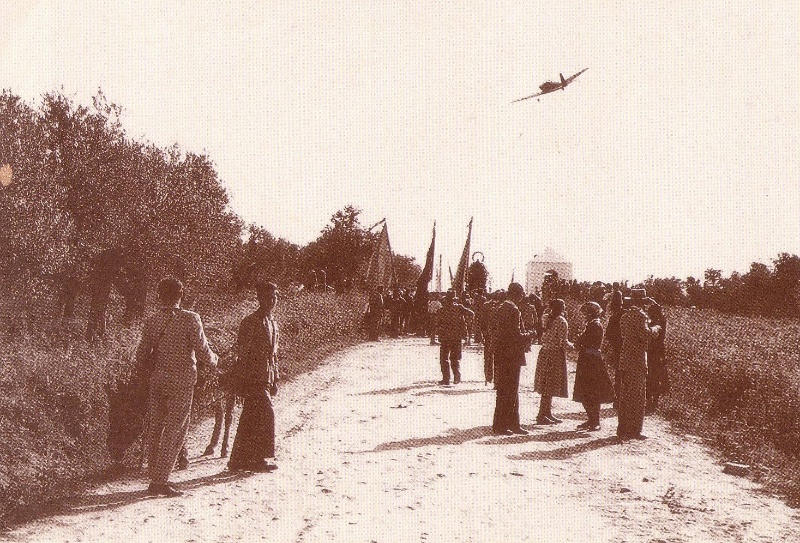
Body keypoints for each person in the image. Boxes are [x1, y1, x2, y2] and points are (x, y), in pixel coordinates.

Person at [136, 277, 217, 497]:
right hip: (181, 380)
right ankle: (160, 480)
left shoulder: (152, 320)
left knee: (156, 426)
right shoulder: (191, 319)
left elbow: (141, 354)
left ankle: (154, 473)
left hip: (158, 378)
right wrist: (215, 360)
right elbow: (203, 351)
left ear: (160, 295)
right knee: (175, 428)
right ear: (181, 295)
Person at [228, 281, 282, 472]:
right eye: (268, 297)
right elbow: (242, 352)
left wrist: (275, 378)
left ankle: (238, 460)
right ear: (259, 298)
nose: (272, 300)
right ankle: (258, 458)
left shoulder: (273, 323)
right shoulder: (250, 322)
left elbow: (273, 355)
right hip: (252, 377)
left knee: (250, 416)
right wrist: (240, 382)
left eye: (275, 296)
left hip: (266, 377)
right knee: (266, 413)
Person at [616, 289, 661, 440]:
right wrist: (654, 329)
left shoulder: (625, 316)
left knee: (625, 395)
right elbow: (645, 335)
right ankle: (634, 430)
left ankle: (623, 428)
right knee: (638, 396)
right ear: (642, 302)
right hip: (637, 358)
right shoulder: (641, 316)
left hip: (626, 357)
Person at [491, 283, 535, 435]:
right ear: (518, 294)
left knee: (505, 390)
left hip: (502, 354)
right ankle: (505, 425)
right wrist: (529, 335)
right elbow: (515, 336)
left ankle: (507, 424)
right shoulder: (513, 310)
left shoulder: (500, 308)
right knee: (510, 390)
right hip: (512, 355)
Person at [573, 302, 615, 431]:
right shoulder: (592, 324)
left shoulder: (595, 325)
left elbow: (582, 342)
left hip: (591, 360)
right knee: (586, 390)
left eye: (586, 313)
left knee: (592, 391)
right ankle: (591, 419)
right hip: (588, 358)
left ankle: (595, 420)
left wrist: (578, 342)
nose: (584, 315)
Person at [534, 298, 573, 425]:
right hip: (555, 354)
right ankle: (542, 414)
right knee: (550, 384)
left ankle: (546, 413)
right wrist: (575, 346)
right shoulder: (561, 321)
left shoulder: (545, 318)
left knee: (546, 383)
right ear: (562, 308)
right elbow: (563, 342)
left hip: (544, 352)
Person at [435, 290, 474, 385]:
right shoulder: (459, 308)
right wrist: (465, 324)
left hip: (445, 337)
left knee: (444, 358)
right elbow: (471, 313)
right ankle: (456, 377)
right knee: (455, 358)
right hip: (457, 336)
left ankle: (446, 379)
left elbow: (437, 324)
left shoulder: (441, 310)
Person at [645, 303, 668, 414]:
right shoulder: (660, 322)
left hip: (653, 353)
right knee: (654, 378)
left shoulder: (657, 324)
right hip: (657, 353)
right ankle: (652, 403)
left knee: (652, 378)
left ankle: (651, 403)